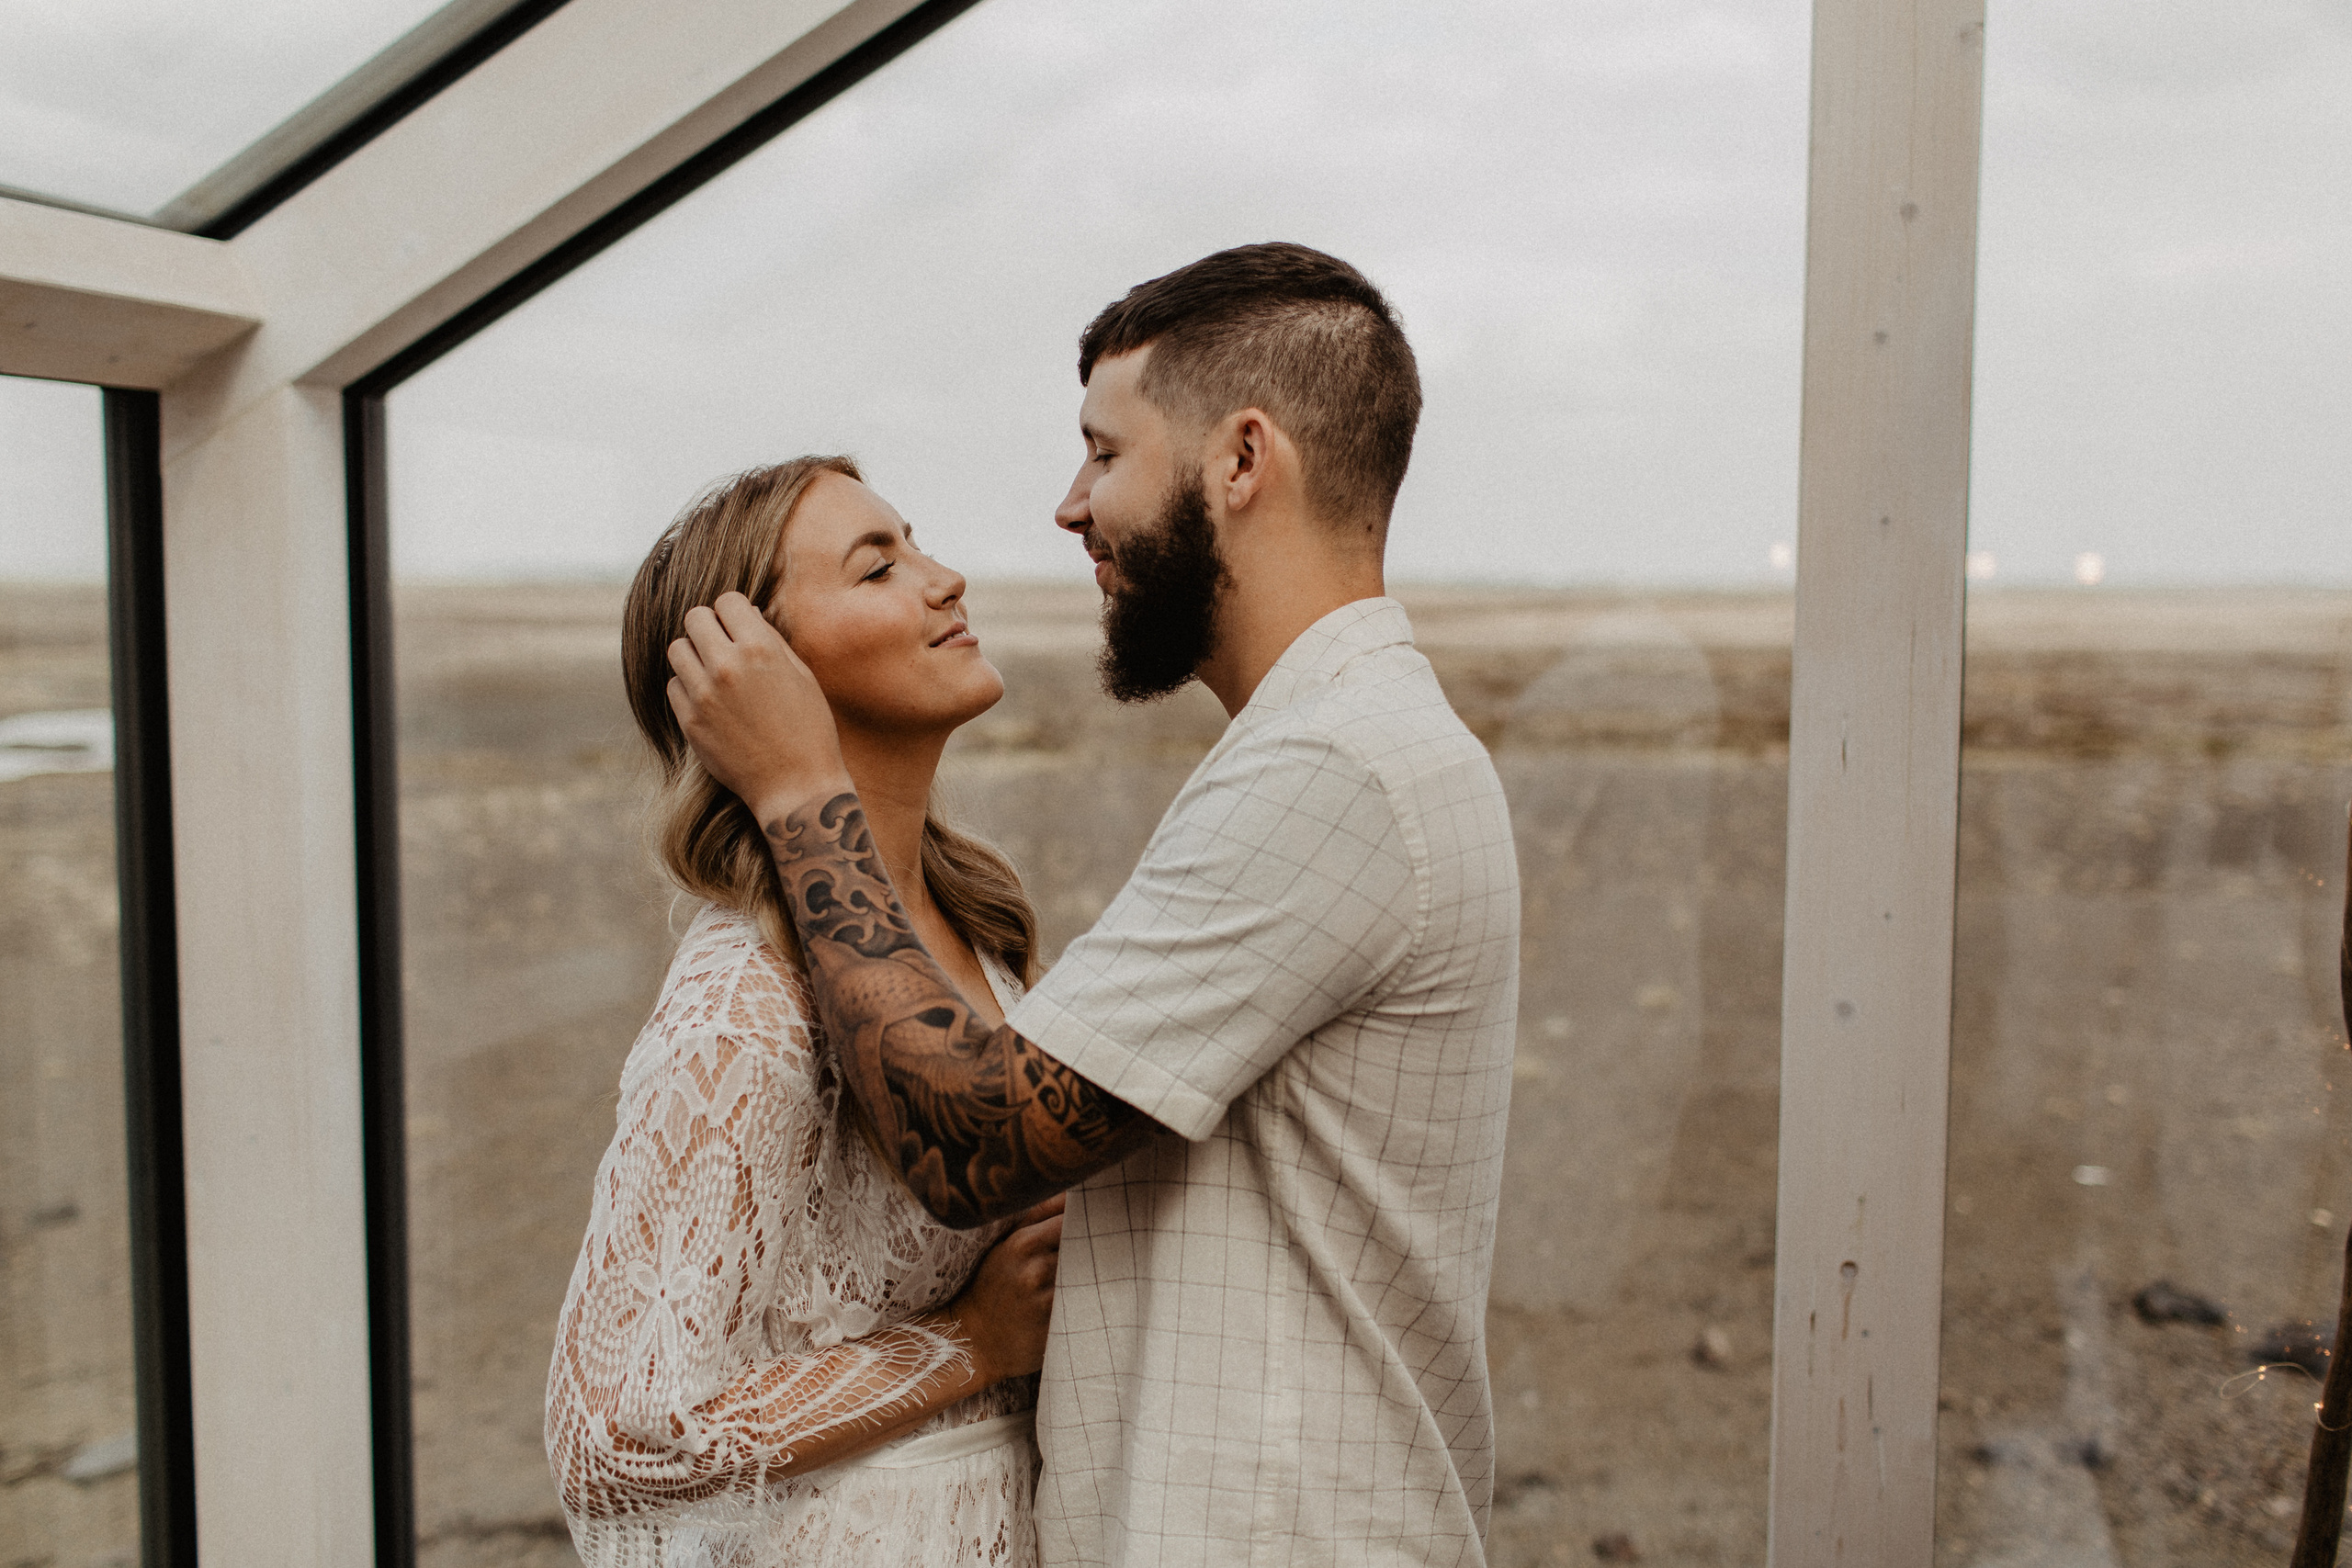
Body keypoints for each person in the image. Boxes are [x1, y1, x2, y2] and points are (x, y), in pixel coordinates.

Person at [667, 243, 1521, 1565]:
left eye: (1104, 453)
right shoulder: (1329, 748)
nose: (1069, 508)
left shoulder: (1334, 769)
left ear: (1241, 461)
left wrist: (796, 788)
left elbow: (978, 1139)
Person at [545, 456, 1067, 1566]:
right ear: (754, 673)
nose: (946, 580)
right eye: (879, 568)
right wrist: (967, 1345)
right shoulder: (745, 998)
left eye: (917, 546)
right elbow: (611, 1443)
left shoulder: (972, 928)